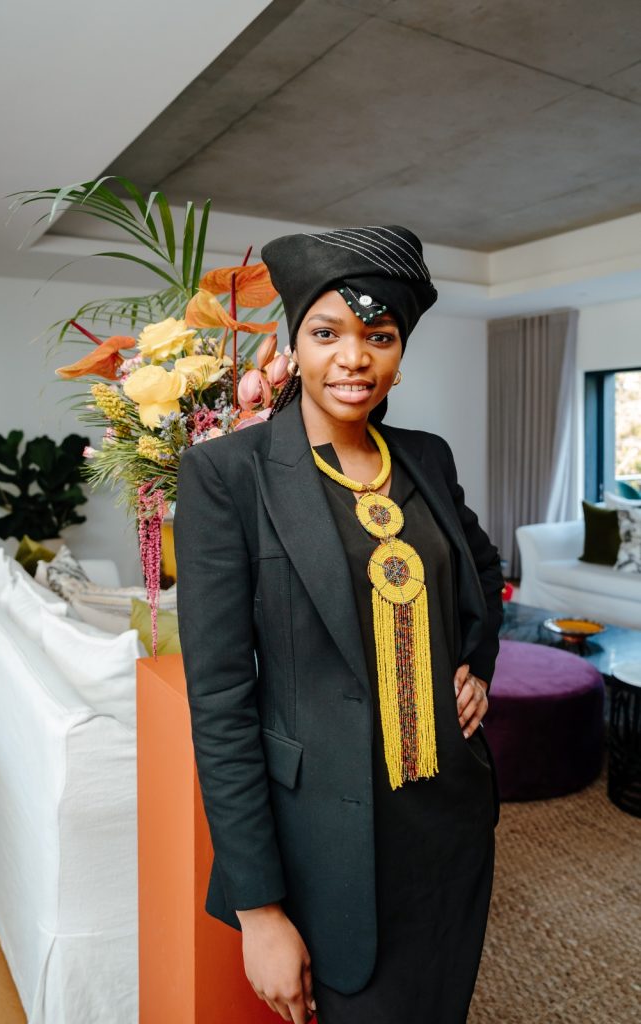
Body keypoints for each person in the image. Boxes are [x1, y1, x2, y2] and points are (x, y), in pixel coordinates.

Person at [173, 224, 505, 1024]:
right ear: (294, 345)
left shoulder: (427, 457)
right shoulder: (228, 475)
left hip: (449, 824)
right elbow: (220, 703)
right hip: (327, 845)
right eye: (327, 334)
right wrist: (258, 910)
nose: (353, 358)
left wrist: (477, 664)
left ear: (399, 354)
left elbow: (484, 572)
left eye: (378, 336)